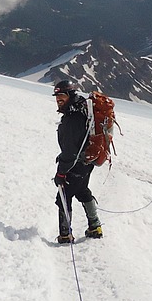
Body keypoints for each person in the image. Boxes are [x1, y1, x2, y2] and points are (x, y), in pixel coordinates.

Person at [52, 79, 103, 243]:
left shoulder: (72, 118)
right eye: (57, 96)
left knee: (64, 196)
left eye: (62, 95)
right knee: (82, 190)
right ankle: (95, 227)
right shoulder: (81, 109)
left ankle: (66, 235)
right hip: (86, 162)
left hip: (76, 164)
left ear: (69, 95)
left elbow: (70, 151)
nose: (58, 99)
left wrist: (61, 172)